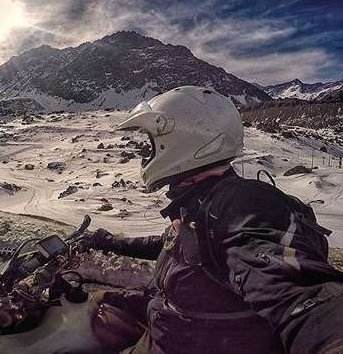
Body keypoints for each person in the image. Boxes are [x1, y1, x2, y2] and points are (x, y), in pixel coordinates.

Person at [83, 86, 343, 354]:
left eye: (151, 143)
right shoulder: (203, 202)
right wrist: (109, 242)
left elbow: (306, 297)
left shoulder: (240, 206)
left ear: (181, 140)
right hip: (172, 327)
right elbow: (173, 245)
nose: (147, 155)